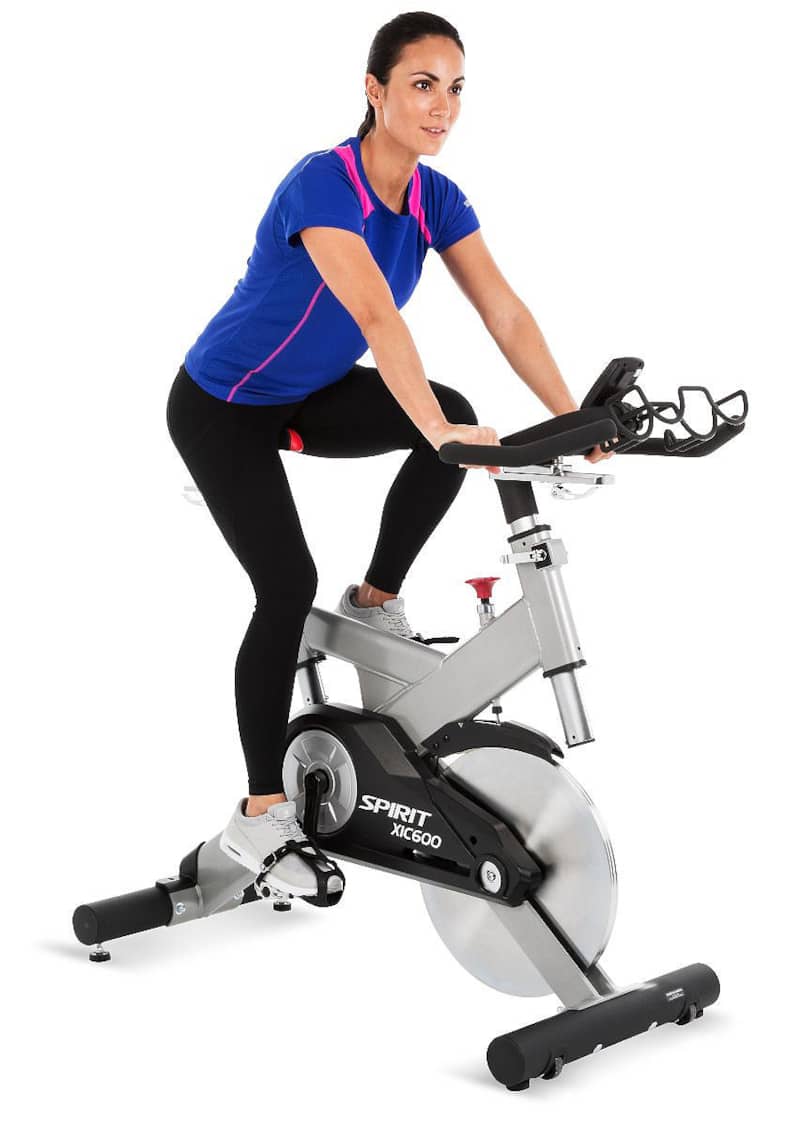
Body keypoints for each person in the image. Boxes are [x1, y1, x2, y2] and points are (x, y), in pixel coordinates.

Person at [165, 11, 614, 905]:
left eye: (455, 88)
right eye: (421, 85)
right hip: (222, 407)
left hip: (309, 395)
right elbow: (376, 315)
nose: (442, 105)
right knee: (285, 585)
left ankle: (374, 600)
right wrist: (438, 433)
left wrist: (573, 414)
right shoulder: (323, 184)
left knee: (455, 417)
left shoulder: (436, 198)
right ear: (374, 92)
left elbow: (505, 312)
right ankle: (260, 813)